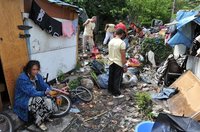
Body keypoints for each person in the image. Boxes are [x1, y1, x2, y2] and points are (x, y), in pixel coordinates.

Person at [14, 60, 57, 131]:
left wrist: (49, 90)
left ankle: (44, 116)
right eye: (33, 69)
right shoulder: (22, 79)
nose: (36, 71)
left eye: (37, 69)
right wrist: (45, 93)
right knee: (38, 100)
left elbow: (44, 85)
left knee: (49, 98)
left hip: (33, 95)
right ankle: (39, 122)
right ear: (29, 69)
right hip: (23, 99)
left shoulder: (37, 76)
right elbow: (32, 93)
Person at [108, 29, 127, 98]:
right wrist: (124, 64)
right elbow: (123, 55)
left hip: (111, 61)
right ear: (122, 34)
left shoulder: (111, 41)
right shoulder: (122, 43)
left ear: (116, 33)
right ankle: (116, 94)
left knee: (111, 77)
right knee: (117, 78)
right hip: (118, 62)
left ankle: (110, 90)